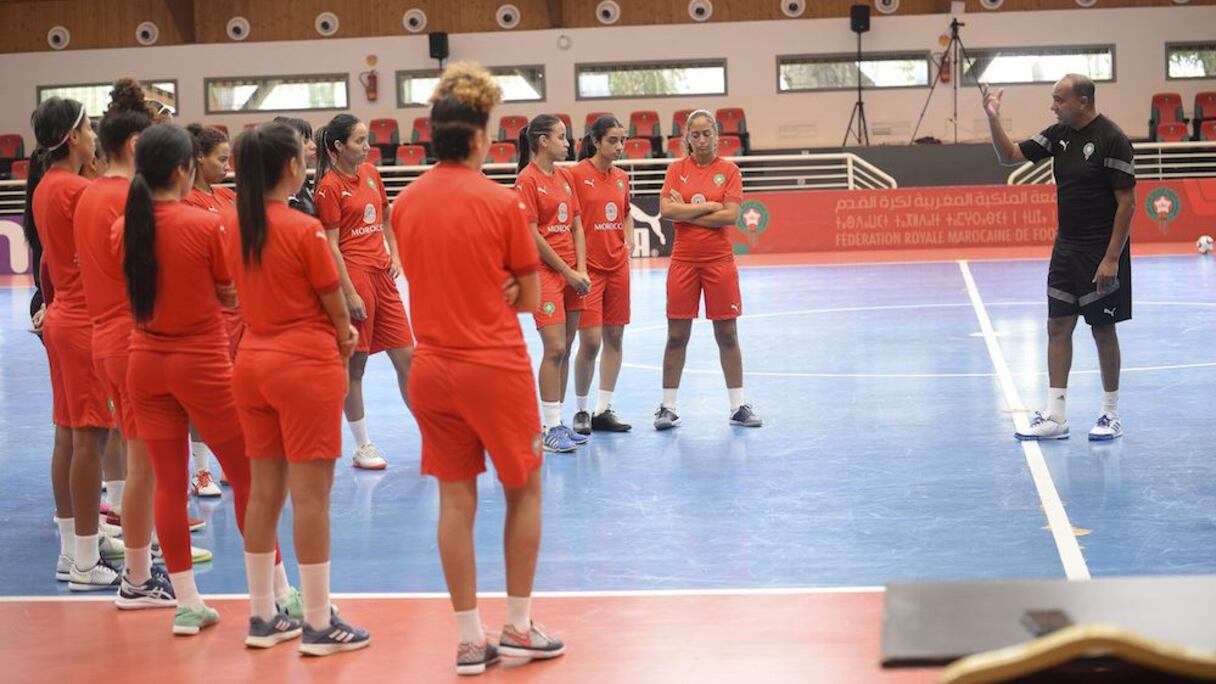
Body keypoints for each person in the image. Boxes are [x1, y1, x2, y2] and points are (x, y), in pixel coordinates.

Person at [392, 62, 566, 676]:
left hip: (431, 368)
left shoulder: (404, 204)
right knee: (525, 489)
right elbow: (527, 290)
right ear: (475, 136)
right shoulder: (501, 203)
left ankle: (470, 638)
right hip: (492, 367)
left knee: (454, 499)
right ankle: (518, 625)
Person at [119, 123, 280, 635]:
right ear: (181, 171)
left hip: (144, 363)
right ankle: (274, 597)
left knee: (168, 485)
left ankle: (187, 603)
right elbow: (231, 293)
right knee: (249, 478)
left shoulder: (124, 227)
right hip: (203, 364)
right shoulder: (203, 226)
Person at [231, 121, 370, 654]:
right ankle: (316, 621)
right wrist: (344, 332)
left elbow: (227, 292)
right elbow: (332, 296)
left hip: (253, 361)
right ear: (292, 167)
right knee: (311, 498)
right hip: (303, 366)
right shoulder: (302, 228)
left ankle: (263, 616)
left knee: (263, 492)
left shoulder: (234, 226)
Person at [73, 78, 181, 605]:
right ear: (137, 147)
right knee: (146, 466)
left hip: (106, 336)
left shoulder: (91, 194)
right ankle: (138, 577)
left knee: (144, 463)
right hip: (133, 338)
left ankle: (143, 562)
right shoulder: (127, 198)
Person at [982, 74, 1135, 441]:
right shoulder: (1058, 134)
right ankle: (1056, 415)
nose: (1053, 106)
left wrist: (1111, 258)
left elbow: (1127, 203)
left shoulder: (1112, 138)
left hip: (1102, 250)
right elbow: (1009, 156)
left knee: (1102, 330)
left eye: (1059, 100)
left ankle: (1110, 414)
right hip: (1066, 248)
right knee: (1057, 327)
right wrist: (992, 117)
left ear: (1082, 101)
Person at [27, 96, 126, 589]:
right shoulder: (79, 191)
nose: (93, 138)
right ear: (72, 138)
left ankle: (72, 550)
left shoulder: (47, 186)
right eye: (89, 130)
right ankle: (88, 561)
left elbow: (49, 264)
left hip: (64, 316)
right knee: (90, 437)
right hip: (87, 322)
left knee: (68, 435)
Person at [314, 114, 413, 470]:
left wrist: (394, 254)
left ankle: (436, 435)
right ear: (338, 146)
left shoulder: (371, 173)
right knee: (355, 367)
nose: (367, 145)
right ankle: (362, 445)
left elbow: (386, 215)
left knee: (408, 358)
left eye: (367, 139)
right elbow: (330, 244)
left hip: (382, 276)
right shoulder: (328, 186)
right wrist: (348, 292)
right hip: (354, 276)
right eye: (358, 141)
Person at [655, 109, 761, 430]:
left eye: (707, 133)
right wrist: (709, 206)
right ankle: (667, 408)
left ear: (717, 135)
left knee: (727, 334)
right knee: (676, 336)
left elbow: (730, 217)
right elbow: (665, 210)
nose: (701, 140)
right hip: (684, 262)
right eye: (695, 134)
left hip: (719, 262)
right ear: (687, 138)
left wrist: (685, 211)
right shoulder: (676, 170)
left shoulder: (729, 171)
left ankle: (738, 406)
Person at [514, 114, 591, 452]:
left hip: (572, 273)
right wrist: (567, 271)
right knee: (555, 348)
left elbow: (576, 226)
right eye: (562, 137)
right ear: (543, 141)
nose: (568, 142)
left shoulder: (564, 177)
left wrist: (582, 270)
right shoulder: (526, 181)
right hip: (543, 274)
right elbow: (531, 237)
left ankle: (558, 422)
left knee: (567, 348)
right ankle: (550, 429)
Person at [569, 115, 634, 434]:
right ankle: (580, 410)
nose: (620, 147)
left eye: (623, 140)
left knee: (615, 338)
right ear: (595, 142)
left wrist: (629, 236)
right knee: (591, 342)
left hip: (618, 268)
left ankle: (603, 409)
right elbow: (570, 221)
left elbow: (625, 214)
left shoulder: (622, 177)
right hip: (589, 270)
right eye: (613, 140)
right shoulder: (576, 175)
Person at [182, 123, 236, 495]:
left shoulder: (228, 197)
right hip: (206, 310)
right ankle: (201, 470)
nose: (228, 165)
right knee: (202, 397)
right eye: (221, 159)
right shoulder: (184, 203)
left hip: (240, 310)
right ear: (199, 158)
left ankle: (233, 460)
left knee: (238, 391)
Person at [273, 116, 318, 216]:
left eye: (311, 139)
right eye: (305, 141)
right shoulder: (283, 190)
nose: (313, 146)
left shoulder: (303, 183)